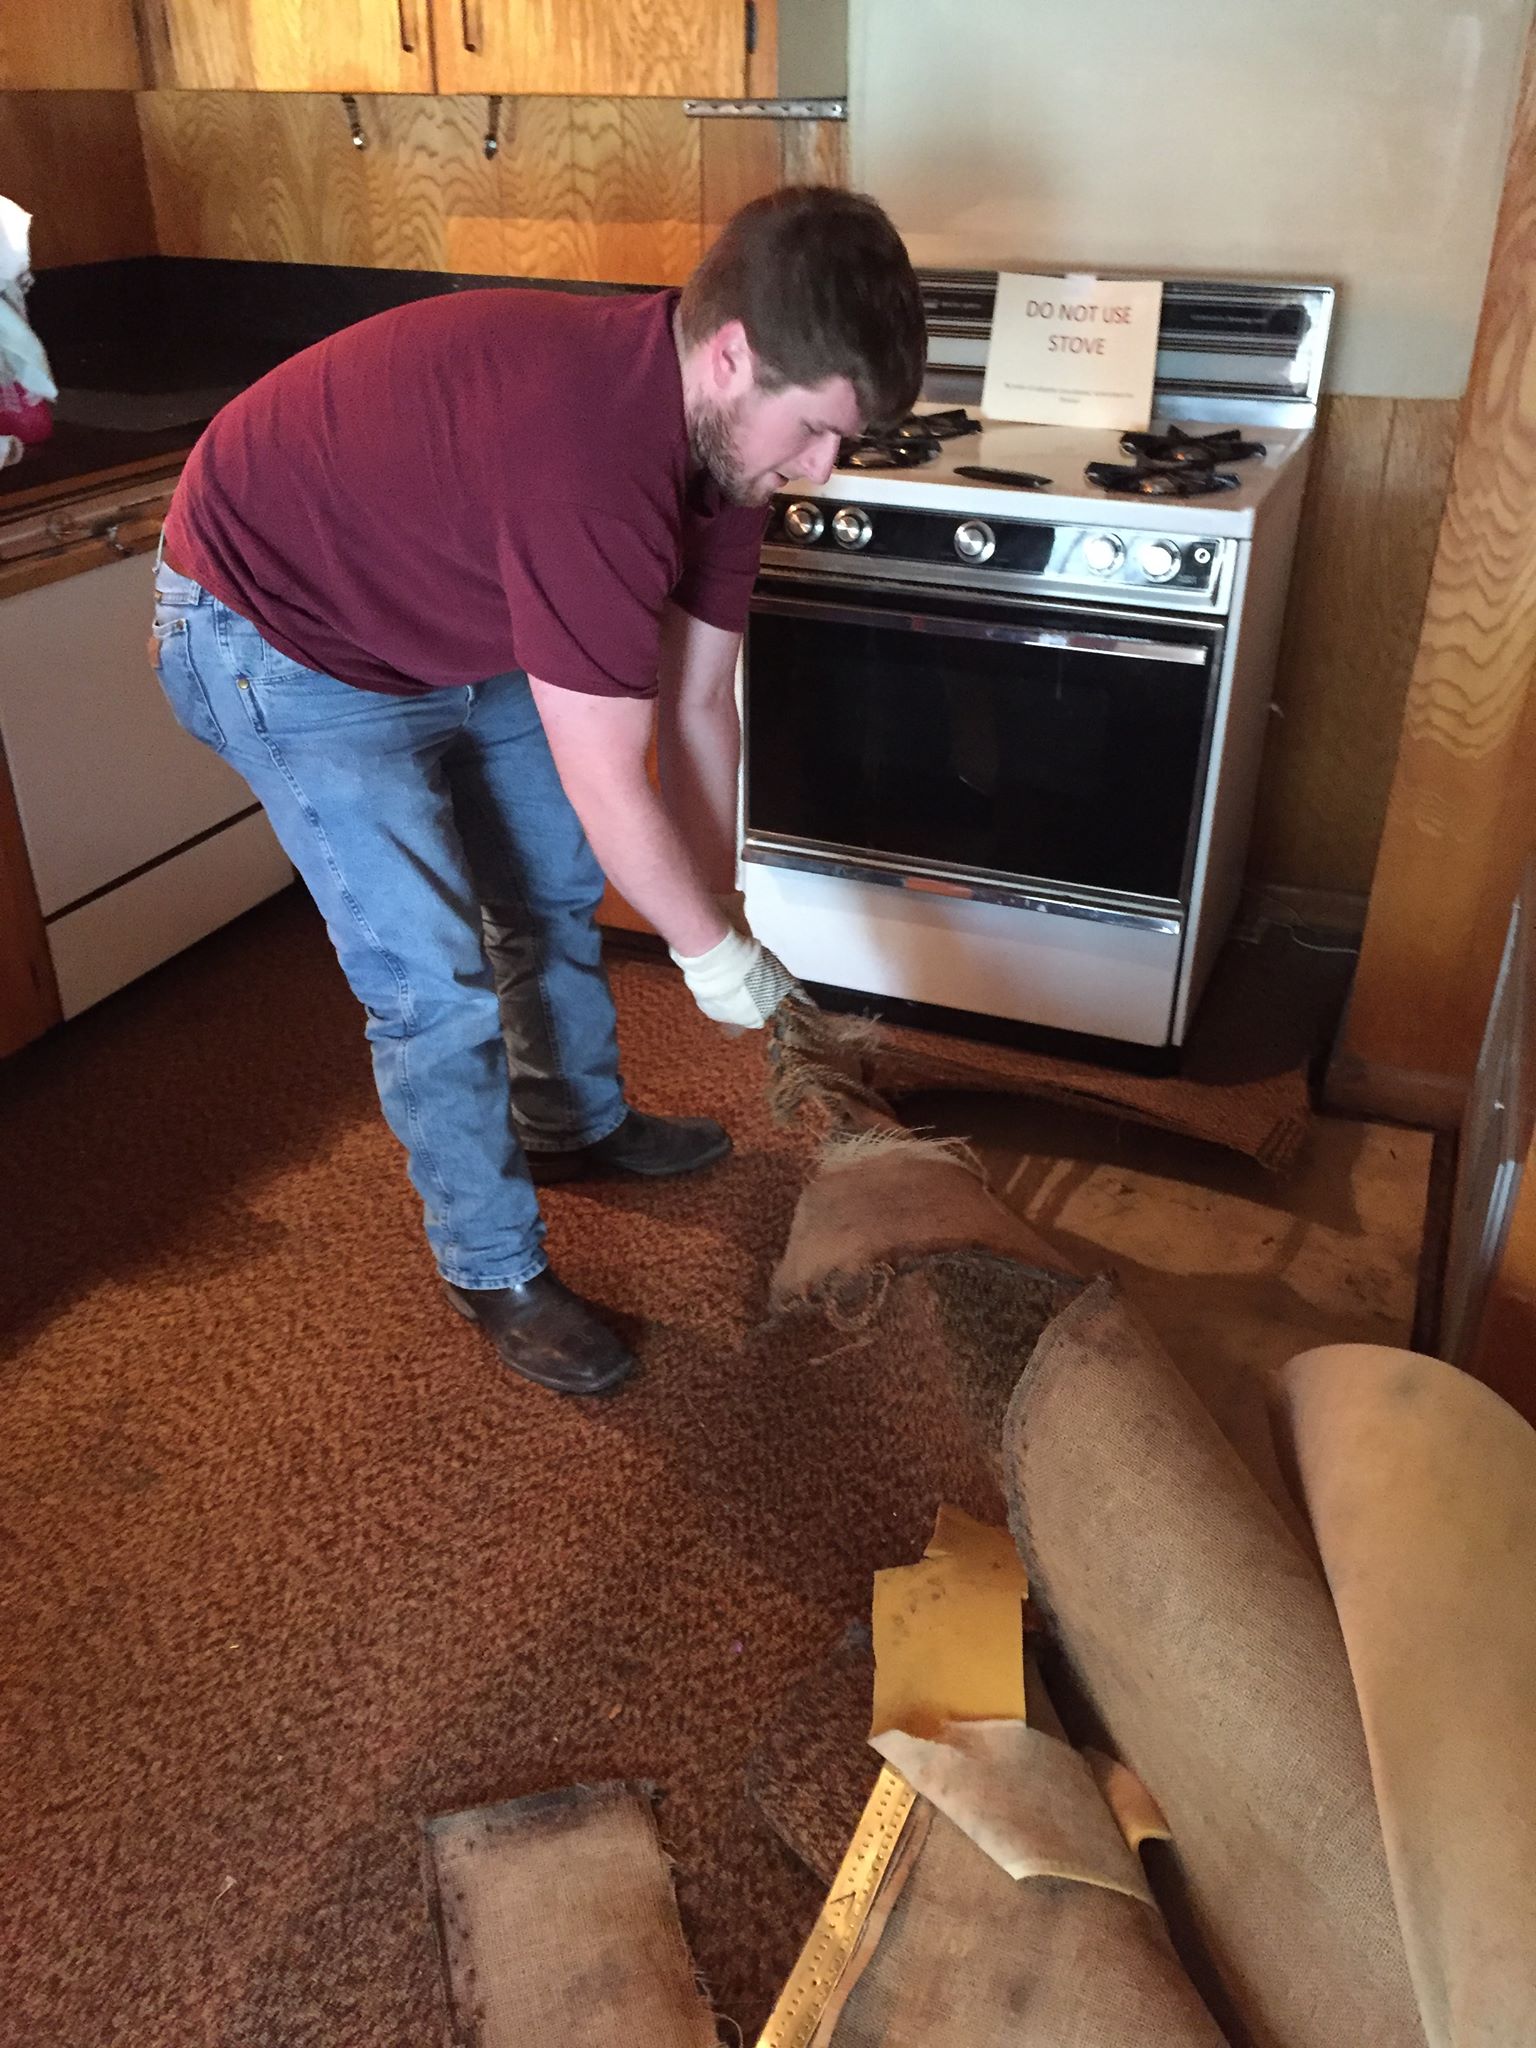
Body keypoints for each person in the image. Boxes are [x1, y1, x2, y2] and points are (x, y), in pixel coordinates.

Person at [150, 185, 926, 1398]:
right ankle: (492, 1264)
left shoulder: (723, 457)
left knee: (555, 883)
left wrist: (716, 909)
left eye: (846, 439)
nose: (822, 467)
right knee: (433, 982)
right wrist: (709, 954)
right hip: (273, 628)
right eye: (817, 430)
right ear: (733, 355)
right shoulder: (592, 457)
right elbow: (612, 767)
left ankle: (574, 1122)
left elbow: (699, 703)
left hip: (435, 612)